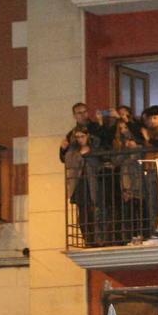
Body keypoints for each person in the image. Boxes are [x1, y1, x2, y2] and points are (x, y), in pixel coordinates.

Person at [61, 102, 107, 244]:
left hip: (94, 177)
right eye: (79, 113)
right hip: (80, 179)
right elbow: (65, 157)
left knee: (97, 208)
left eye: (85, 111)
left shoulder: (96, 129)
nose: (83, 115)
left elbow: (104, 148)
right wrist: (63, 149)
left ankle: (99, 238)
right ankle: (89, 239)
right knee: (84, 211)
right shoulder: (71, 135)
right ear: (75, 115)